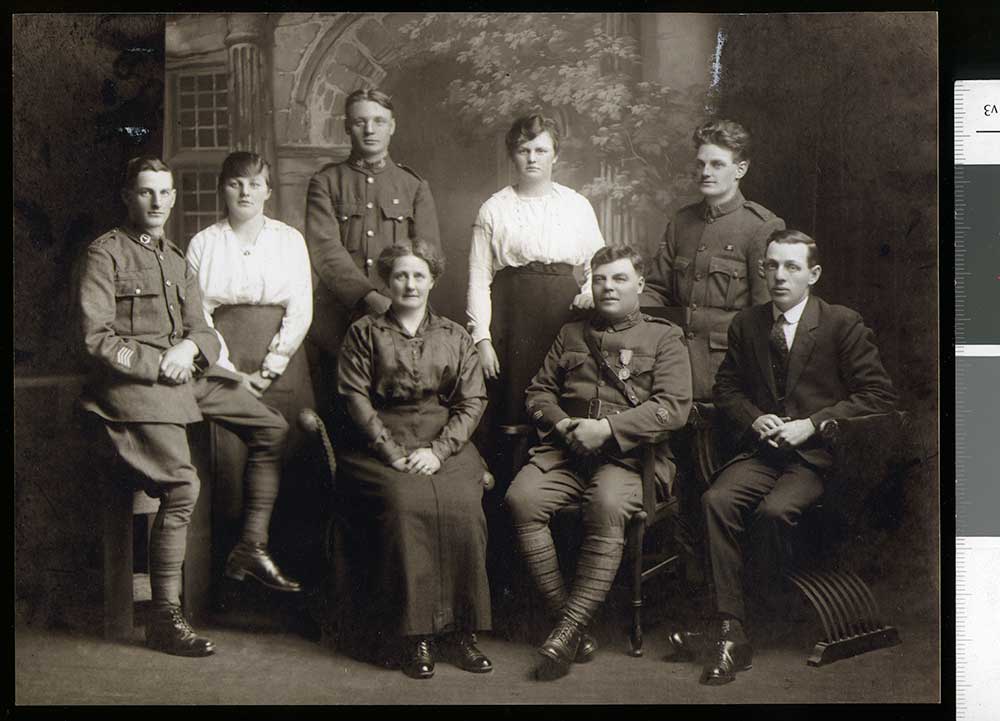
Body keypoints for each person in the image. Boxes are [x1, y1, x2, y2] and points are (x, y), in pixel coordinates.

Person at [75, 157, 301, 658]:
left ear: (174, 198)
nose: (157, 203)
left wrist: (191, 351)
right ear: (127, 196)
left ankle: (251, 544)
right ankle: (164, 616)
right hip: (135, 385)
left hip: (187, 377)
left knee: (272, 427)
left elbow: (202, 329)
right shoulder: (105, 254)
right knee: (183, 486)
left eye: (165, 193)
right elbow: (97, 338)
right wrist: (161, 362)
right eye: (145, 192)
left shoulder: (176, 258)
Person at [670, 229, 897, 685]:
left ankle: (752, 616)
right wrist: (755, 419)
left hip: (818, 458)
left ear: (813, 274)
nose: (779, 275)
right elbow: (727, 389)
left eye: (791, 267)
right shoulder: (748, 323)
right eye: (772, 265)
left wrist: (812, 424)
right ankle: (733, 629)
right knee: (717, 501)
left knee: (774, 513)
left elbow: (877, 395)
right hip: (764, 453)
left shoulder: (840, 323)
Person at [505, 245, 692, 679]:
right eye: (600, 279)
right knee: (521, 499)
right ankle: (571, 627)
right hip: (566, 453)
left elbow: (673, 407)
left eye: (620, 278)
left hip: (632, 461)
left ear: (641, 285)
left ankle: (567, 629)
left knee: (606, 504)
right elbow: (538, 392)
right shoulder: (571, 334)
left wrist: (608, 431)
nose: (608, 287)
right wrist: (565, 426)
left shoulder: (664, 337)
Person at [335, 241, 493, 680]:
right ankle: (415, 635)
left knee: (464, 505)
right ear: (387, 281)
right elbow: (354, 399)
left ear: (433, 280)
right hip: (381, 441)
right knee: (407, 506)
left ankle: (463, 632)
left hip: (446, 441)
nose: (409, 284)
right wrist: (392, 452)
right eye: (401, 275)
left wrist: (438, 451)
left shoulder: (455, 336)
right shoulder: (364, 332)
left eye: (419, 275)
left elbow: (472, 400)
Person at [186, 151, 317, 583]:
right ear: (223, 188)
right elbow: (197, 315)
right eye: (235, 183)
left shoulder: (288, 239)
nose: (245, 192)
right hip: (222, 356)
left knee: (293, 455)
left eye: (254, 183)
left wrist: (272, 365)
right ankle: (230, 580)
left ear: (268, 191)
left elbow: (301, 305)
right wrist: (226, 368)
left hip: (282, 357)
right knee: (226, 466)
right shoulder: (204, 243)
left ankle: (285, 579)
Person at [466, 113, 605, 466]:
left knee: (564, 396)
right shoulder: (494, 208)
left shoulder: (576, 205)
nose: (532, 158)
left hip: (565, 315)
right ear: (513, 154)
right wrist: (481, 339)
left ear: (555, 155)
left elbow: (597, 263)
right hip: (513, 319)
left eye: (541, 150)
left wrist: (589, 292)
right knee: (513, 408)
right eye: (524, 150)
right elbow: (479, 277)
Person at [306, 88, 441, 414]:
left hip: (399, 318)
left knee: (394, 412)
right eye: (360, 122)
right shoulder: (326, 182)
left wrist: (397, 305)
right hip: (337, 322)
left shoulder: (413, 186)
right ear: (347, 127)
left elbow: (428, 255)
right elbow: (325, 250)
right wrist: (368, 297)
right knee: (337, 414)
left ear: (392, 126)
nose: (370, 130)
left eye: (379, 121)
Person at [642, 119, 785, 400]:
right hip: (673, 366)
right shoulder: (681, 222)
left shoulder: (761, 227)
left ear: (740, 169)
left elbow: (767, 313)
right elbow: (655, 290)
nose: (705, 172)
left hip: (729, 373)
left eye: (717, 165)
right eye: (700, 164)